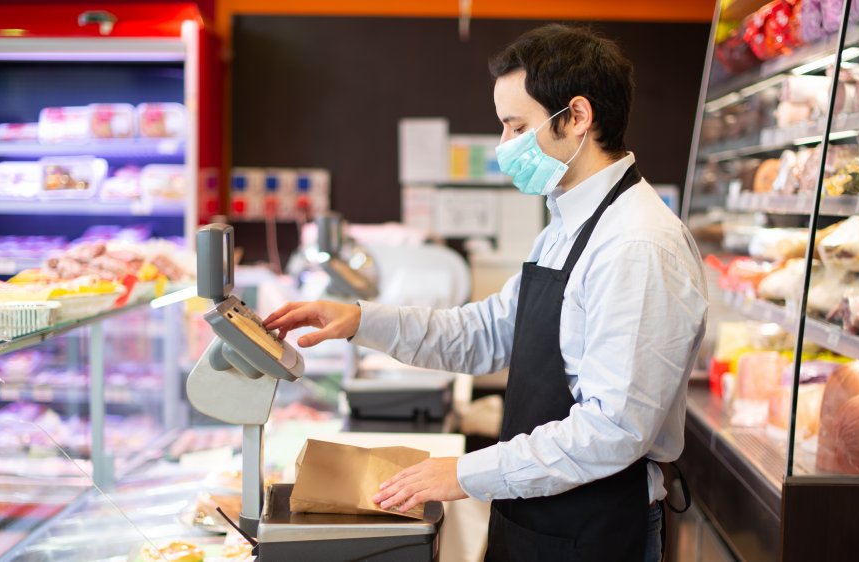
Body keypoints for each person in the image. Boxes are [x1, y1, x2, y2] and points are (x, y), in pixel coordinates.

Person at [264, 24, 708, 562]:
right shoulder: (565, 226)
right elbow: (486, 333)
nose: (504, 147)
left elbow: (613, 429)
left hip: (596, 530)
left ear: (577, 117)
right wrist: (360, 320)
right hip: (539, 514)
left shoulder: (638, 245)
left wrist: (464, 473)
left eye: (516, 126)